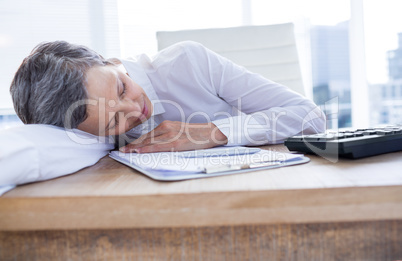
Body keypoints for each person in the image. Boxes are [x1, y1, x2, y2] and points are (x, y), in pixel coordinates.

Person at [10, 40, 326, 154]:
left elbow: (311, 116)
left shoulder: (189, 62)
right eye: (115, 120)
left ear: (107, 61)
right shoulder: (84, 133)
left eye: (121, 88)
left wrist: (212, 132)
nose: (135, 107)